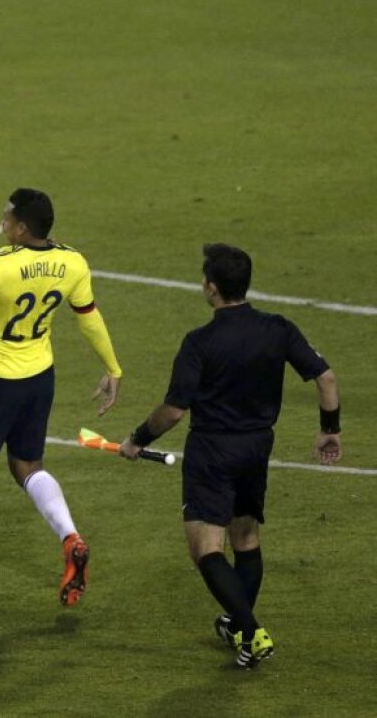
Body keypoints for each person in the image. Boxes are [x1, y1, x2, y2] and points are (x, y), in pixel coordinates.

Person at [120, 243, 341, 669]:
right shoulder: (278, 328)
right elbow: (326, 377)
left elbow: (173, 410)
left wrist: (137, 439)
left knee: (206, 549)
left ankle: (250, 630)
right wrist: (329, 430)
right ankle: (239, 631)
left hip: (212, 451)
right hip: (257, 446)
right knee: (246, 539)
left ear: (212, 288)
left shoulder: (200, 342)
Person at [0, 188, 122, 610]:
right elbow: (89, 318)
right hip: (39, 379)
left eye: (7, 217)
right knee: (27, 465)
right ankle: (70, 537)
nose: (2, 222)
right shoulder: (71, 261)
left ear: (21, 227)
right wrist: (113, 368)